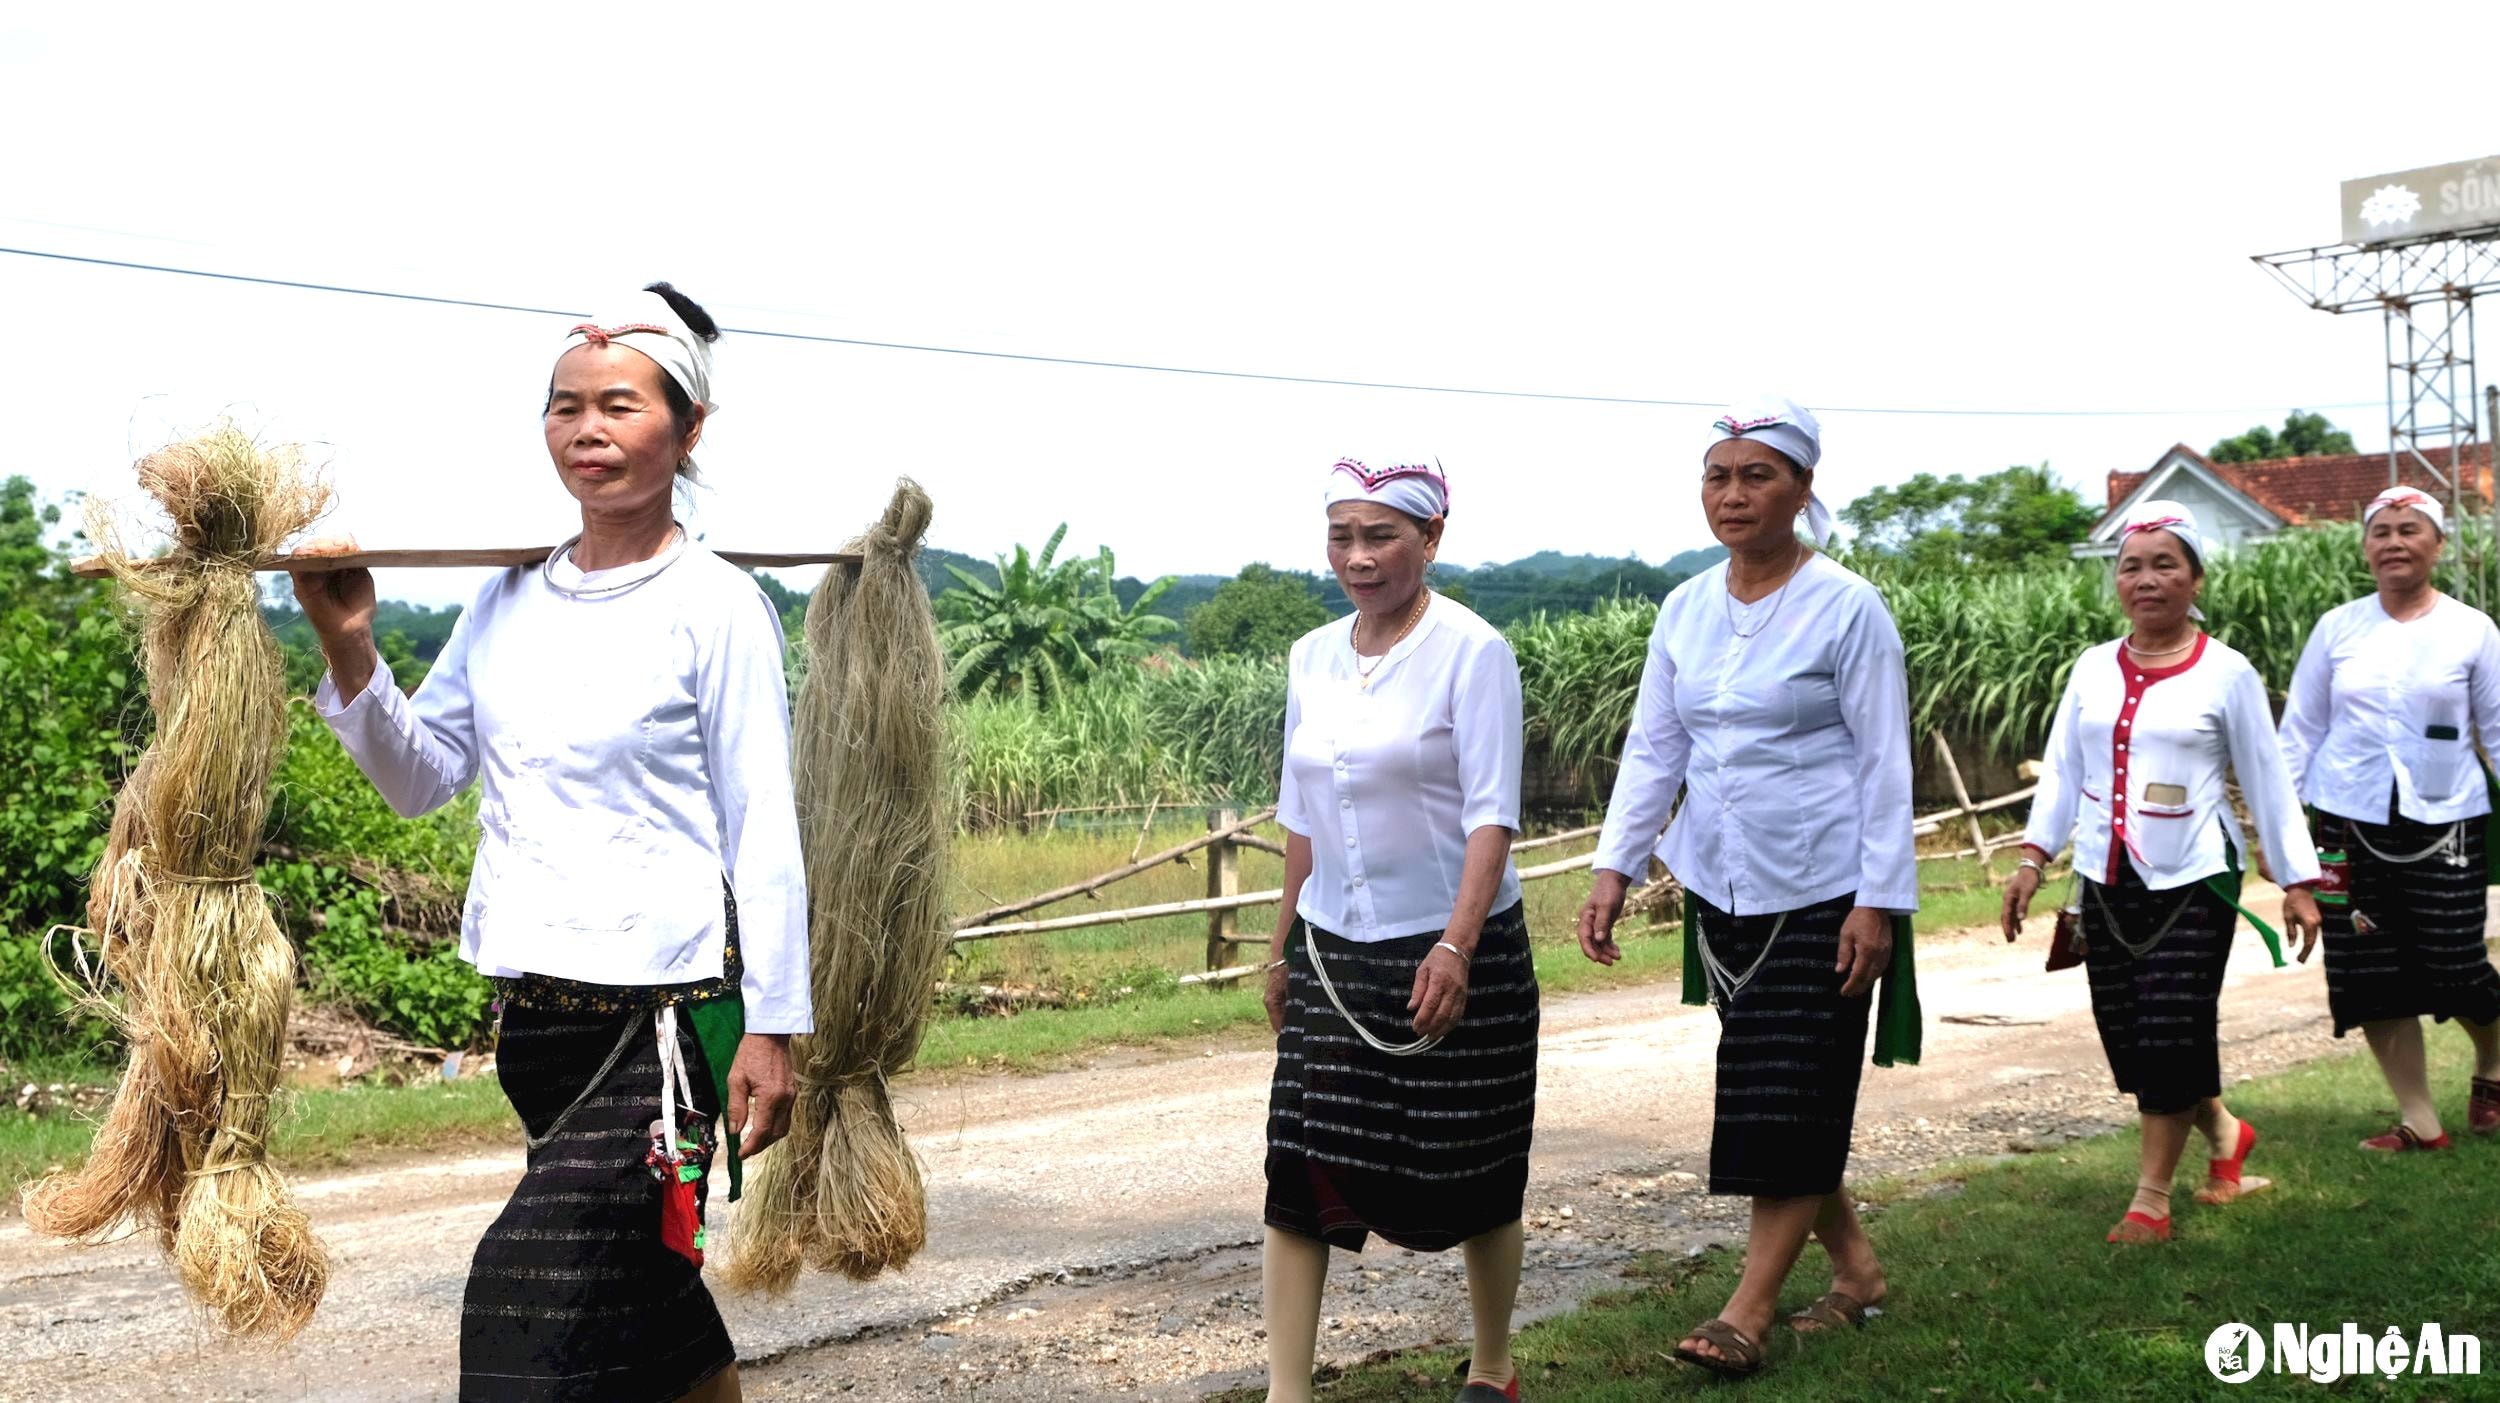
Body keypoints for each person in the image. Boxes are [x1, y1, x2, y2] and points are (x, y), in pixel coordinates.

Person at [290, 283, 806, 1403]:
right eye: (565, 406)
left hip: (662, 1016)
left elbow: (767, 826)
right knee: (647, 1301)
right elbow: (420, 777)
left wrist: (776, 1022)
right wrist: (349, 647)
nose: (587, 429)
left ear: (688, 429)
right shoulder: (506, 600)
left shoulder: (717, 607)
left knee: (525, 1301)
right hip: (537, 1014)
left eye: (618, 405)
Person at [1578, 398, 1922, 1380]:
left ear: (1802, 489)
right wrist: (1614, 864)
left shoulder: (1847, 607)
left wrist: (1876, 898)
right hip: (1722, 886)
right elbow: (1654, 748)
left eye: (1757, 474)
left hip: (1824, 885)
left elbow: (1883, 764)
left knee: (1788, 1092)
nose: (1732, 494)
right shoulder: (1685, 606)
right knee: (1786, 1094)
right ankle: (1854, 1268)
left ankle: (1747, 1310)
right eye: (1717, 475)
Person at [1261, 456, 1536, 1403]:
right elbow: (1302, 813)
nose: (1359, 556)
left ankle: (1493, 1367)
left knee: (1477, 1162)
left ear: (1432, 537)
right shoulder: (1311, 654)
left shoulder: (1472, 650)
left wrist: (1457, 945)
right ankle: (1285, 1392)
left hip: (1454, 948)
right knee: (1299, 1163)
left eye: (1381, 535)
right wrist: (1281, 944)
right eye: (1343, 535)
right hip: (1335, 952)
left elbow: (1491, 815)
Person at [2003, 499, 2322, 1245]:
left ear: (2195, 578)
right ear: (2117, 581)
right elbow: (2062, 772)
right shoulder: (2090, 668)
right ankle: (2225, 1132)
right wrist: (2031, 857)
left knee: (2171, 1029)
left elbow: (2269, 781)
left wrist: (2298, 880)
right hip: (2105, 884)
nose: (2146, 580)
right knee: (2130, 1034)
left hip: (2194, 879)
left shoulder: (2228, 673)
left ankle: (2151, 1198)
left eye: (2164, 564)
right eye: (2131, 566)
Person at [2277, 485, 2500, 1149]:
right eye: (2381, 531)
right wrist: (2285, 833)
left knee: (2455, 963)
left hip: (2447, 818)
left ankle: (2492, 1064)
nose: (2394, 541)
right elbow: (2300, 732)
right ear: (2365, 547)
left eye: (2410, 529)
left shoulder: (2473, 630)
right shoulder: (2337, 628)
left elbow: (2496, 725)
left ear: (2438, 544)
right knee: (2366, 970)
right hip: (2346, 818)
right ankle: (2419, 1119)